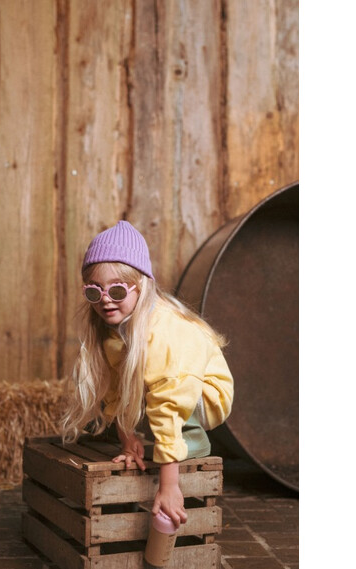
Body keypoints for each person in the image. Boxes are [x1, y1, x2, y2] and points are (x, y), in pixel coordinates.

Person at [60, 221, 234, 528]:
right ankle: (165, 442)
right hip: (166, 390)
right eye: (94, 291)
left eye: (116, 290)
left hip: (205, 394)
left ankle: (190, 441)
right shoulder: (114, 333)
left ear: (140, 287)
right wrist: (128, 441)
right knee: (130, 379)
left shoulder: (163, 330)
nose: (105, 299)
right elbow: (117, 390)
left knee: (160, 400)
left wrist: (169, 486)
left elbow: (170, 399)